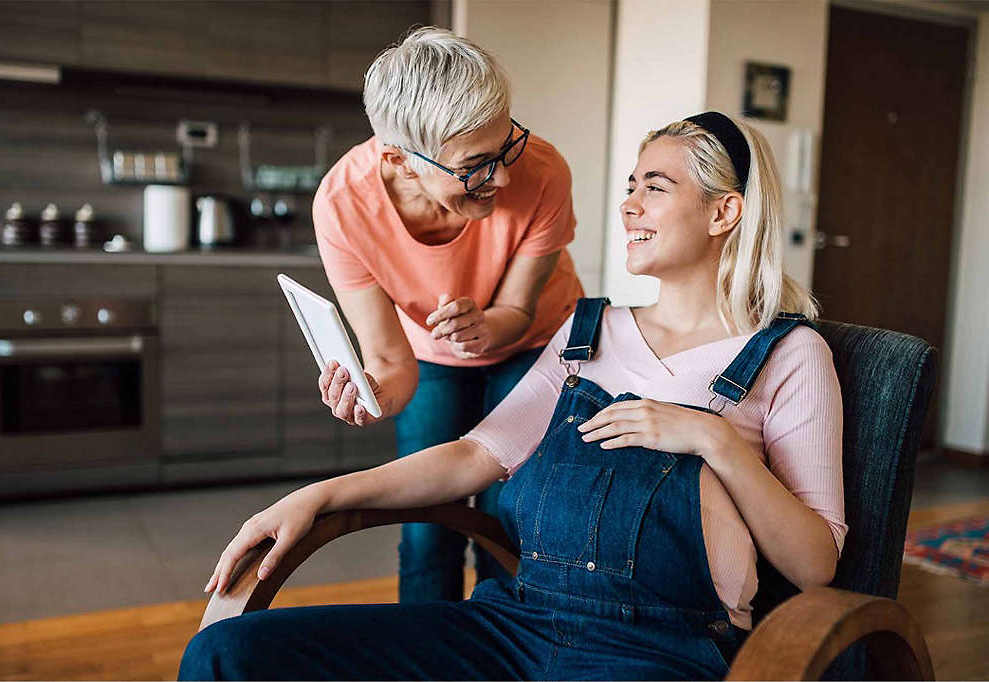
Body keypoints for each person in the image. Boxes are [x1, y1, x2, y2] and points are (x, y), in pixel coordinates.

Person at [180, 111, 847, 681]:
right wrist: (318, 496)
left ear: (725, 211)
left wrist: (716, 440)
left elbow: (815, 564)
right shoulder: (591, 332)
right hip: (515, 626)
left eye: (656, 187)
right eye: (629, 187)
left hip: (656, 651)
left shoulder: (790, 355)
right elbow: (476, 456)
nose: (628, 206)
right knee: (227, 655)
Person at [310, 26, 584, 603]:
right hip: (429, 352)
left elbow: (515, 308)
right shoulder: (343, 206)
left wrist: (487, 327)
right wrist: (370, 394)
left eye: (508, 143)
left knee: (510, 516)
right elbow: (388, 360)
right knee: (426, 522)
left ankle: (503, 647)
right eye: (478, 164)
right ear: (399, 161)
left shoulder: (544, 171)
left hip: (538, 341)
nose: (504, 177)